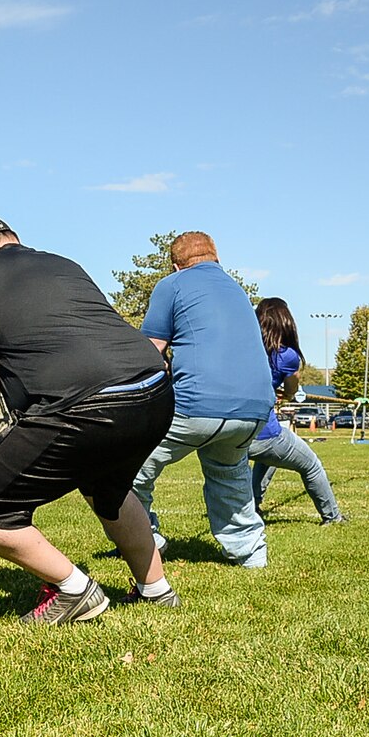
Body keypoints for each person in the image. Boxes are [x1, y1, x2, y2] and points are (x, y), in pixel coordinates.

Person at [0, 215, 176, 623]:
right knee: (109, 488)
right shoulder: (64, 263)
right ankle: (157, 591)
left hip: (86, 405)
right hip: (155, 390)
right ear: (13, 240)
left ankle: (75, 589)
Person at [130, 232, 274, 567]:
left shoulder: (172, 285)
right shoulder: (237, 290)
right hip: (254, 411)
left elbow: (150, 352)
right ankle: (251, 555)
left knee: (128, 470)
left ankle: (144, 541)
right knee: (230, 478)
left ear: (176, 264)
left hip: (196, 407)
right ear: (215, 258)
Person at [246, 299, 345, 525]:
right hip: (263, 433)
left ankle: (253, 504)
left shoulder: (242, 351)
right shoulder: (287, 356)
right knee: (311, 466)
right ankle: (333, 517)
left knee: (269, 459)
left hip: (231, 433)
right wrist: (287, 393)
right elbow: (291, 389)